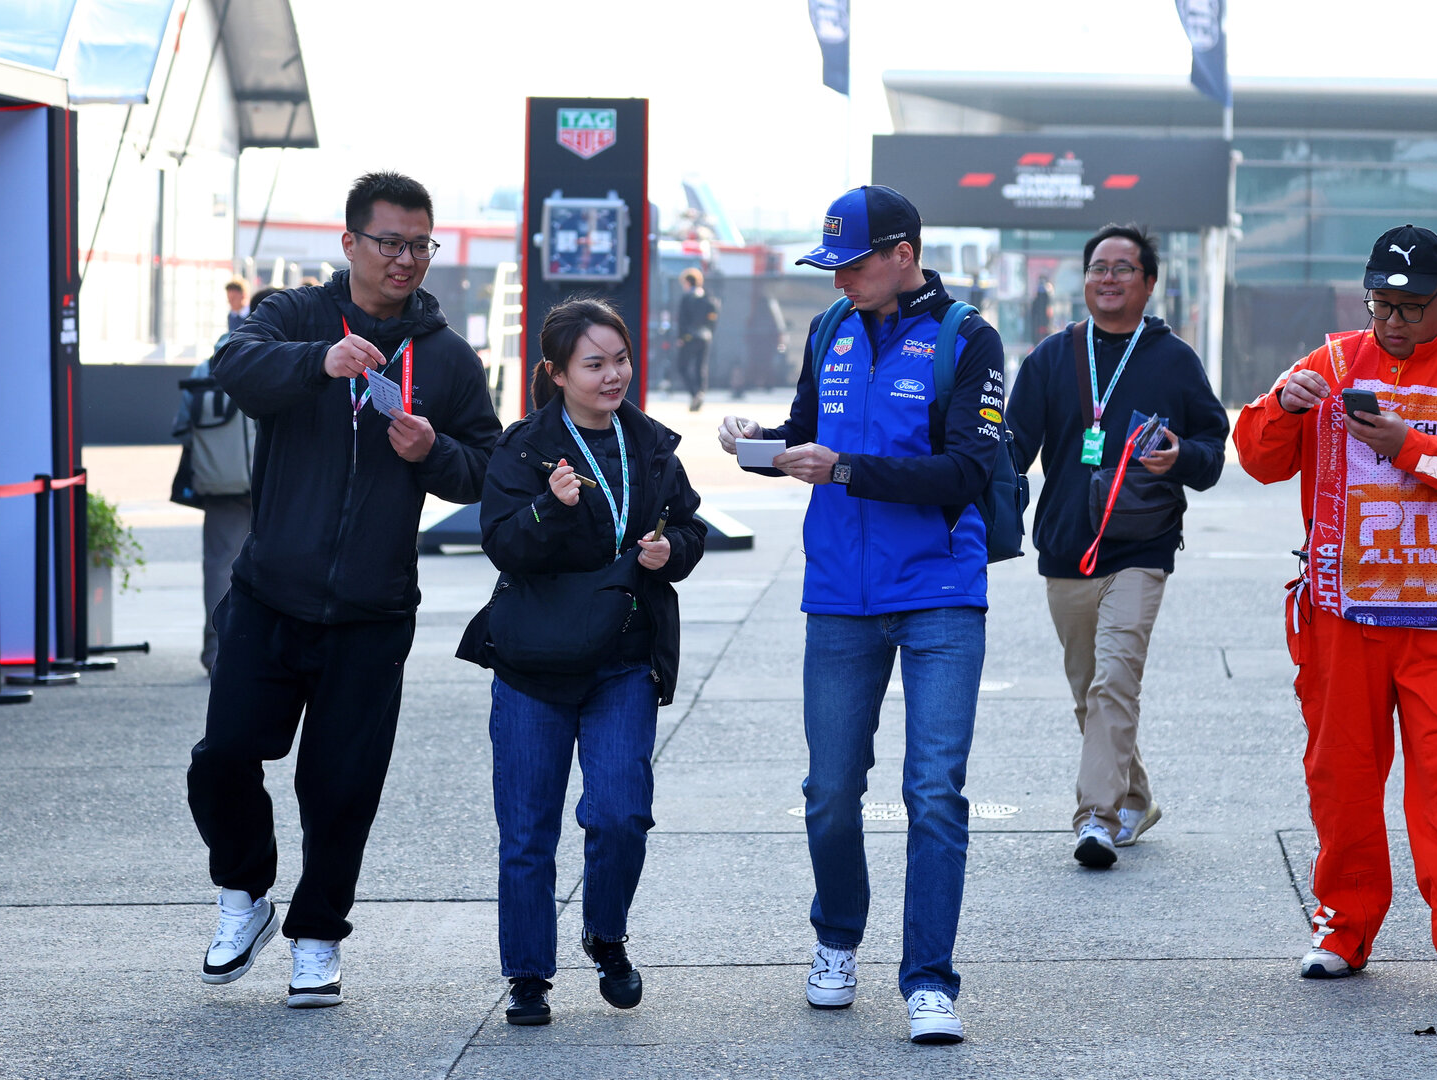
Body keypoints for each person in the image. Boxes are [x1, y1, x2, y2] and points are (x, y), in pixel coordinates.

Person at [186, 172, 502, 1008]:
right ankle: (244, 892)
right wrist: (317, 362)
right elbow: (236, 368)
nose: (406, 260)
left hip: (372, 611)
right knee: (221, 762)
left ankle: (319, 935)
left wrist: (431, 452)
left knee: (340, 788)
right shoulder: (293, 314)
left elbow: (486, 468)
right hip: (268, 594)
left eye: (421, 245)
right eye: (391, 242)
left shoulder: (445, 355)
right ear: (350, 242)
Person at [717, 184, 1000, 1045]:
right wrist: (761, 447)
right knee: (830, 792)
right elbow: (812, 432)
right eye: (831, 264)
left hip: (941, 593)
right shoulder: (830, 330)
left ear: (902, 254)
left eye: (852, 263)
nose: (839, 278)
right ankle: (837, 939)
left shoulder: (968, 337)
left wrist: (845, 470)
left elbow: (967, 471)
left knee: (934, 793)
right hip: (839, 592)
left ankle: (928, 980)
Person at [1234, 225, 1437, 993]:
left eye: (1410, 306)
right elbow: (1260, 457)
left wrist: (1405, 443)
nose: (1393, 321)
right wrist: (1282, 406)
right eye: (1380, 305)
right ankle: (1344, 924)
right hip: (1342, 619)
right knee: (1341, 781)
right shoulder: (1331, 362)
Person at [464, 298, 705, 1027]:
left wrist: (674, 552)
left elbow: (688, 524)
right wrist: (549, 508)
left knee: (621, 813)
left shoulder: (652, 445)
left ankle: (606, 934)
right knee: (528, 832)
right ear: (558, 373)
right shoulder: (525, 448)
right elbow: (502, 541)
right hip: (534, 665)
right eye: (594, 364)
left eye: (620, 360)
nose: (612, 376)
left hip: (622, 661)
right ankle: (530, 974)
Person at [1004, 224, 1228, 869]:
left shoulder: (1173, 360)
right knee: (1090, 690)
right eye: (1098, 267)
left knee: (1113, 681)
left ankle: (1095, 819)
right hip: (1066, 548)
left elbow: (1213, 454)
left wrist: (1181, 454)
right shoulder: (1052, 356)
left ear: (1148, 282)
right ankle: (1135, 795)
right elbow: (1013, 448)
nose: (1108, 278)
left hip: (1142, 545)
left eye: (1123, 268)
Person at [171, 287, 280, 673]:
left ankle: (216, 653)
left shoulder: (210, 363)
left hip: (221, 484)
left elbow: (184, 428)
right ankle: (269, 652)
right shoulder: (299, 354)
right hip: (282, 485)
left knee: (219, 566)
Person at [674, 267, 718, 411]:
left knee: (682, 366)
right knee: (701, 366)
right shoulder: (708, 298)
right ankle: (700, 392)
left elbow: (682, 319)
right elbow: (713, 317)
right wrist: (709, 331)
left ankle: (694, 393)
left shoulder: (687, 298)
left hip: (689, 337)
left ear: (687, 282)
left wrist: (681, 337)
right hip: (705, 337)